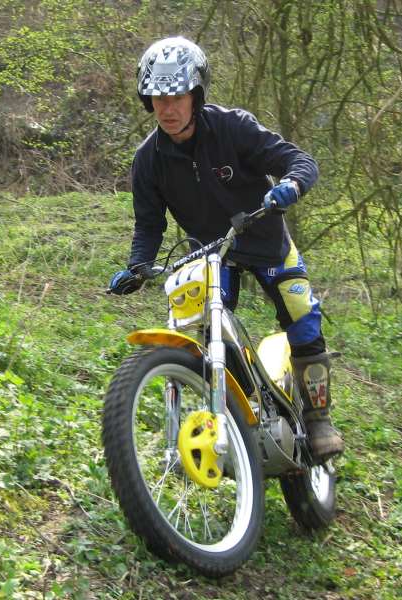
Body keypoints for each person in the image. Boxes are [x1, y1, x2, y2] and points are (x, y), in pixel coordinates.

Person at [108, 36, 343, 460]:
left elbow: (300, 161)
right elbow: (149, 225)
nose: (168, 108)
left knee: (301, 315)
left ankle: (318, 419)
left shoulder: (233, 127)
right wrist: (138, 266)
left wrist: (291, 184)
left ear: (196, 94)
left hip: (267, 242)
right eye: (158, 98)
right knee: (207, 333)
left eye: (177, 96)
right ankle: (240, 412)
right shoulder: (148, 161)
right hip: (213, 257)